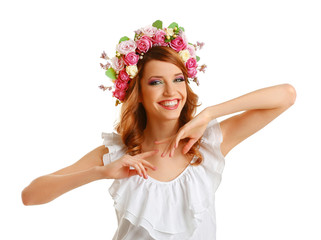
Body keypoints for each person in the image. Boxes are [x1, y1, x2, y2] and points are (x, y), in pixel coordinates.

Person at [21, 20, 296, 239]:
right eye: (155, 82)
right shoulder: (116, 153)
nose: (171, 91)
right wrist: (100, 172)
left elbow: (286, 95)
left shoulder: (209, 144)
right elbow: (30, 195)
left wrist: (210, 114)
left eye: (178, 79)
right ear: (137, 92)